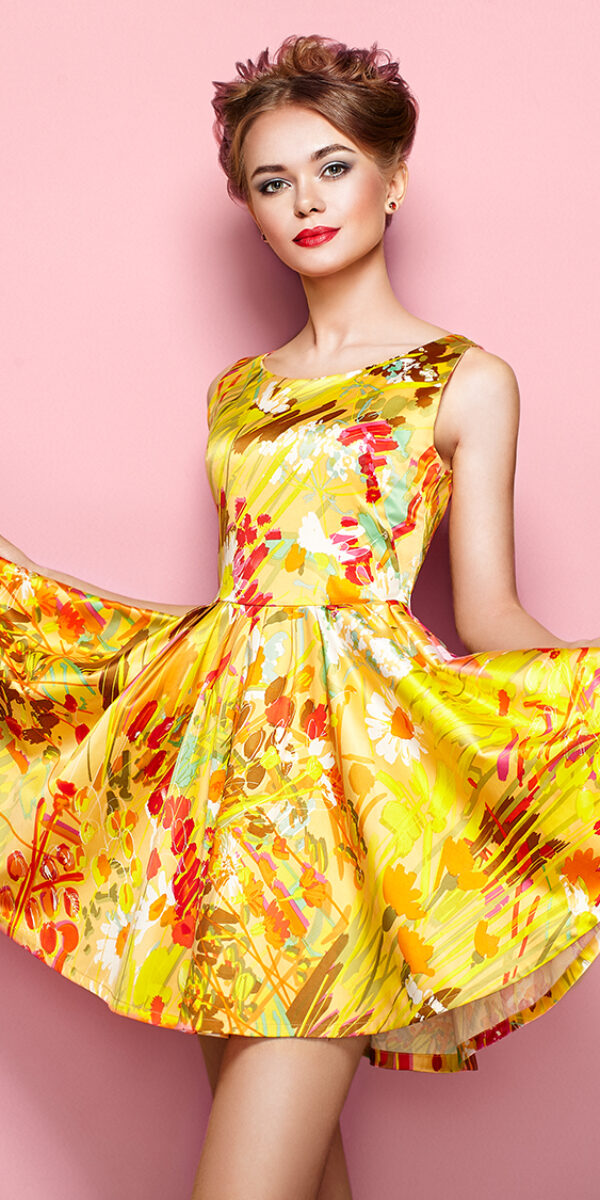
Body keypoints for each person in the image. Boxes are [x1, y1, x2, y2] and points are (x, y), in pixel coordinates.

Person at [2, 31, 600, 1200]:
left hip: (343, 811)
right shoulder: (236, 391)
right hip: (222, 803)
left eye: (332, 166)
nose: (306, 201)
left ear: (394, 175)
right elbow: (243, 610)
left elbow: (489, 612)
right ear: (250, 208)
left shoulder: (463, 379)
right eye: (273, 182)